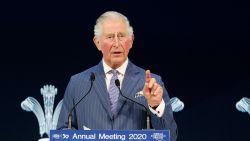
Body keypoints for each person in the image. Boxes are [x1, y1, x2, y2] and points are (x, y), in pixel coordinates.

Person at [57, 11, 177, 140]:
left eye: (121, 36)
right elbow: (63, 132)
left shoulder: (151, 83)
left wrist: (156, 105)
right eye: (109, 37)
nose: (116, 43)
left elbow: (170, 137)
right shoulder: (78, 83)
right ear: (97, 42)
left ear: (131, 41)